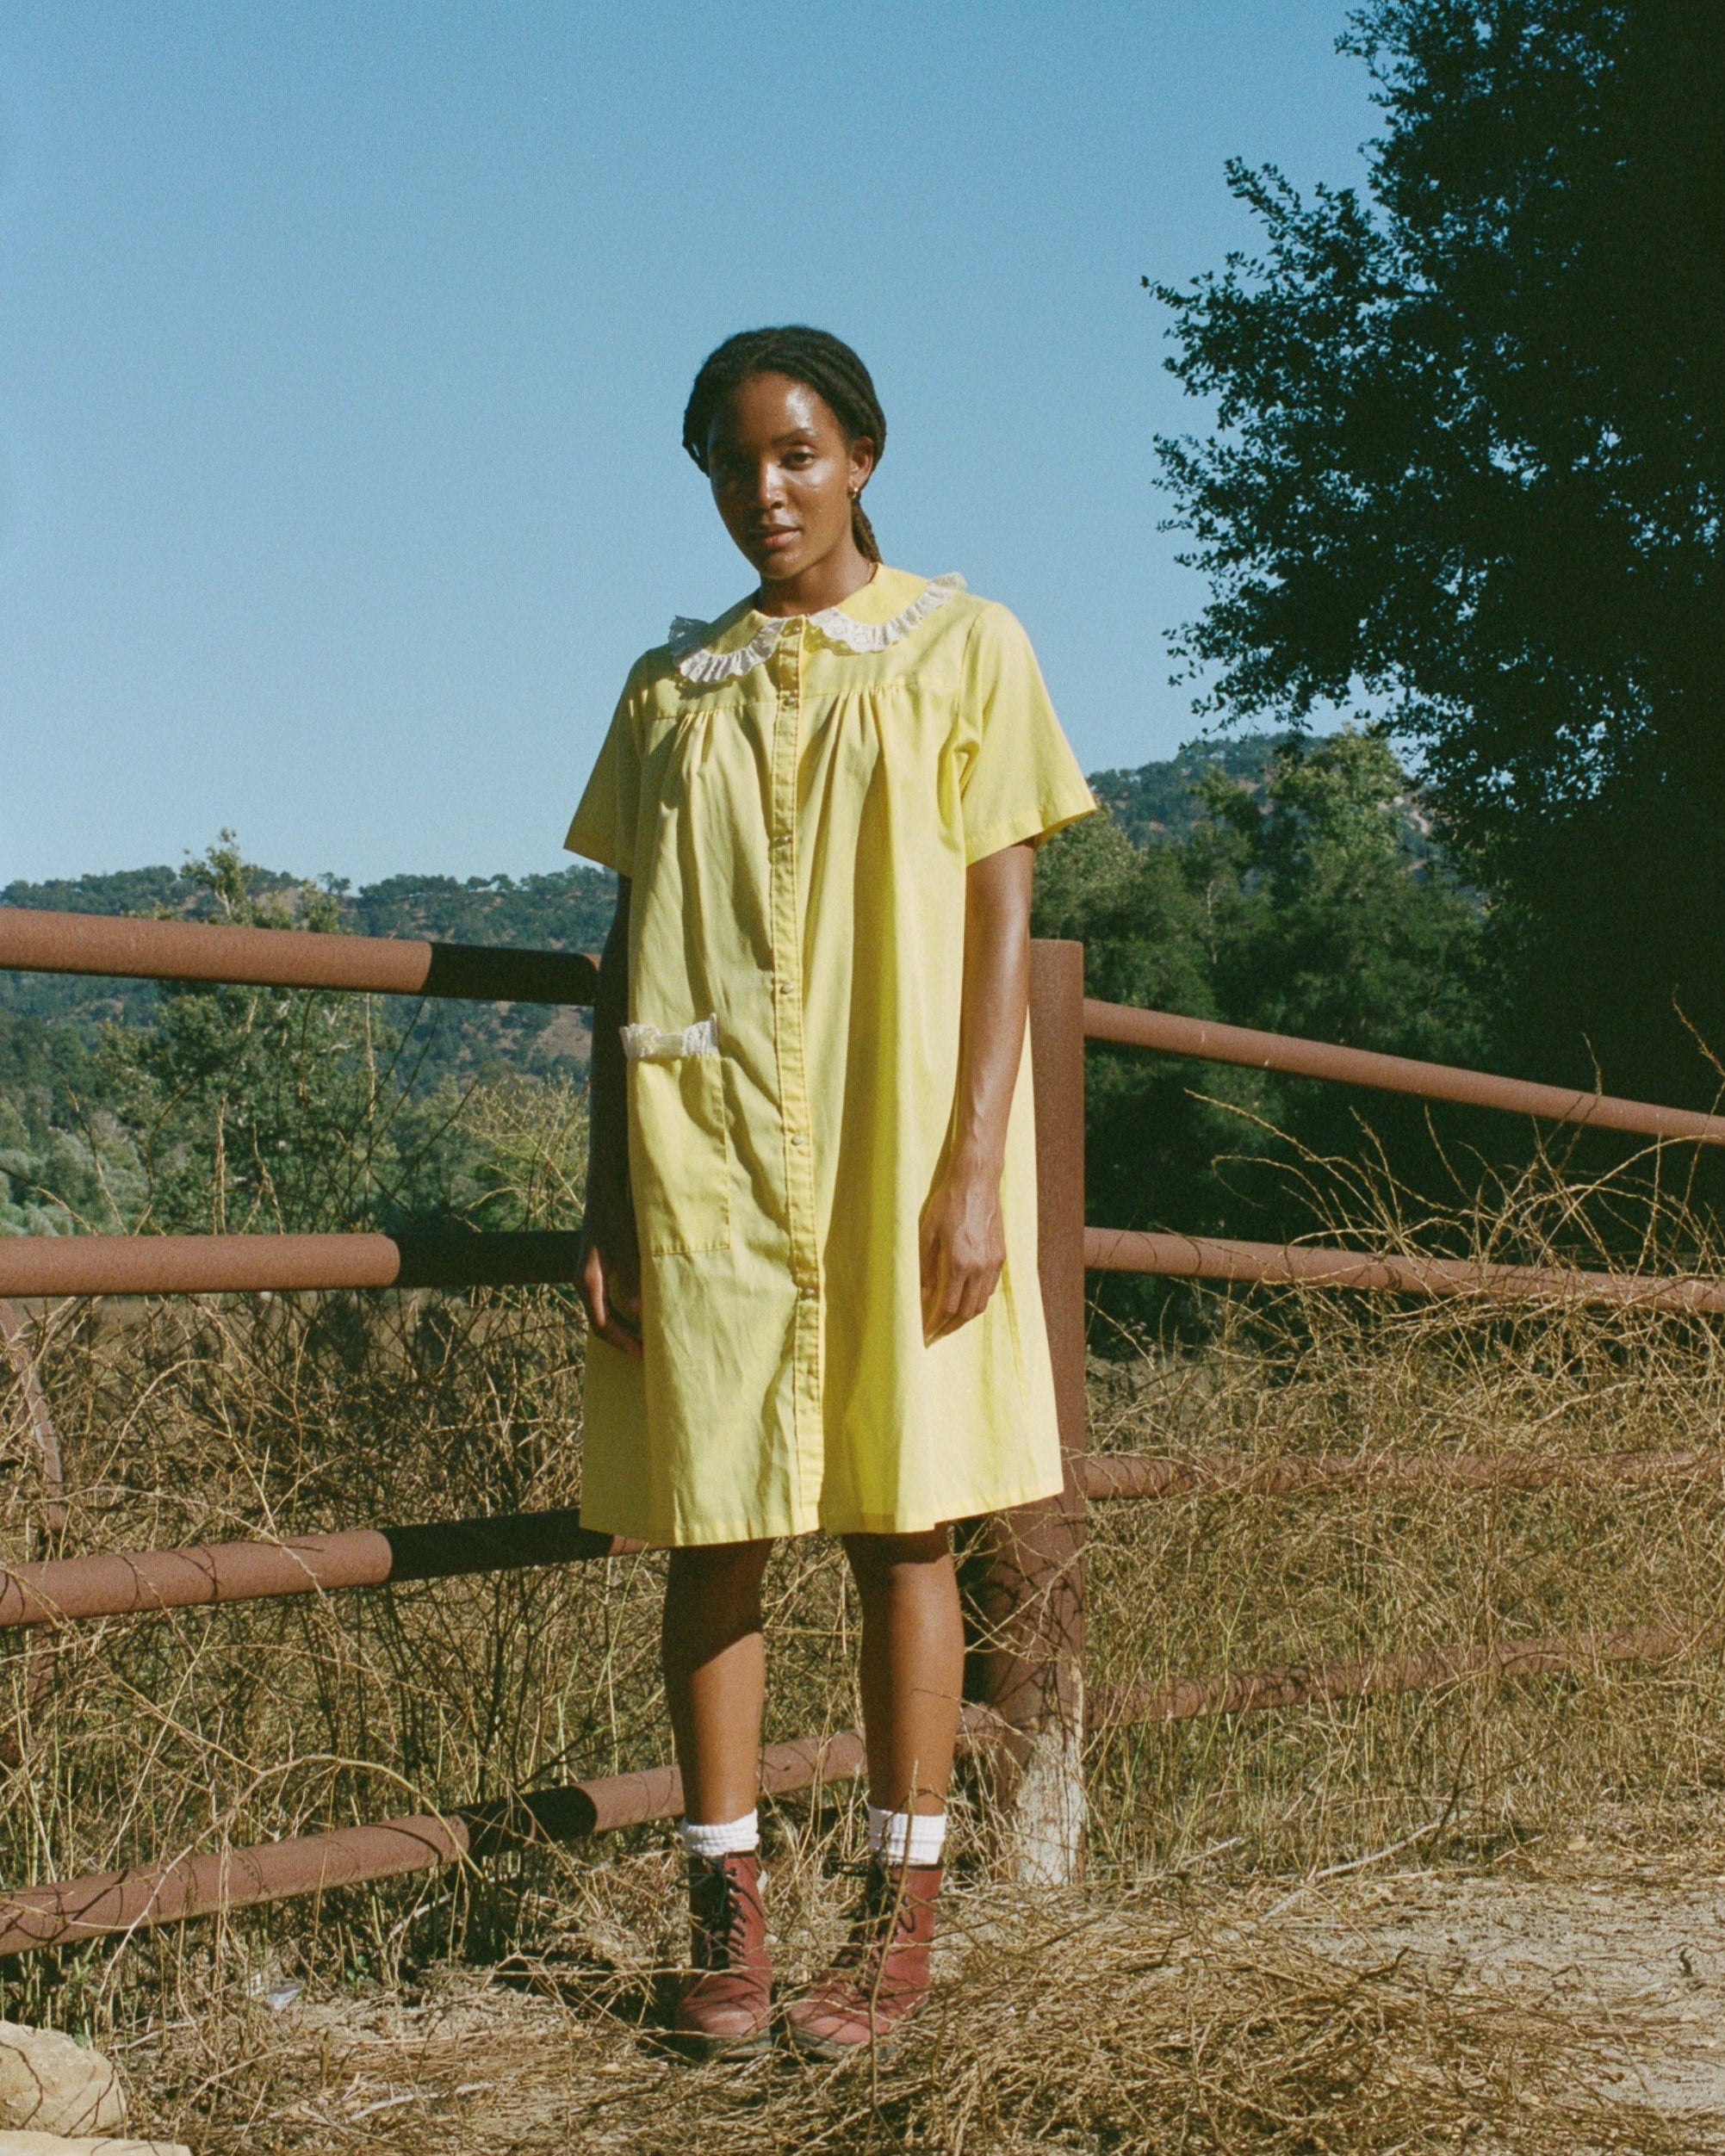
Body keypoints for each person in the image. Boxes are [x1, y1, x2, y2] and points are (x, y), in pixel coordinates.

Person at [566, 325, 1094, 2060]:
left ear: (862, 452)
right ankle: (724, 1927)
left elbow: (1003, 915)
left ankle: (898, 1923)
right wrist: (608, 1193)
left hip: (897, 1129)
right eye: (730, 461)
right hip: (703, 1142)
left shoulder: (962, 645)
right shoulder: (672, 690)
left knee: (904, 1516)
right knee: (714, 1525)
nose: (762, 492)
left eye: (794, 453)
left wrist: (970, 1170)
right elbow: (630, 943)